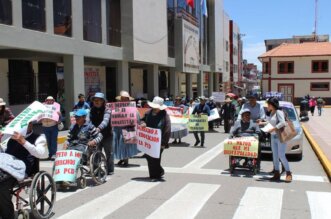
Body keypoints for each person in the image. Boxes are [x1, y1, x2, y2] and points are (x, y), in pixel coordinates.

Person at [0, 121, 47, 219]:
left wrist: (23, 141)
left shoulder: (39, 137)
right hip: (6, 164)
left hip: (21, 168)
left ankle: (7, 215)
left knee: (2, 184)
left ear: (30, 125)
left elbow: (41, 154)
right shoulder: (10, 137)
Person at [259, 97, 292, 182]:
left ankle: (288, 173)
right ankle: (276, 173)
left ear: (272, 105)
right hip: (273, 137)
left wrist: (273, 129)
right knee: (275, 156)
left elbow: (283, 123)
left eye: (268, 104)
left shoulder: (279, 112)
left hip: (280, 136)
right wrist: (261, 123)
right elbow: (270, 123)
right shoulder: (271, 113)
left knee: (281, 155)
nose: (267, 106)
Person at [142, 96, 171, 182]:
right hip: (148, 140)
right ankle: (156, 173)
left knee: (155, 158)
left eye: (156, 107)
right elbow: (142, 120)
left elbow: (167, 130)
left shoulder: (165, 115)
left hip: (160, 142)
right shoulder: (148, 113)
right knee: (149, 157)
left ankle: (156, 175)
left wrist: (164, 143)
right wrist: (143, 123)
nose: (155, 108)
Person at [113, 91, 140, 167]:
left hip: (127, 128)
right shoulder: (116, 108)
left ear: (128, 99)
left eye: (125, 99)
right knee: (118, 144)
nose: (123, 100)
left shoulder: (133, 109)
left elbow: (137, 118)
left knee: (126, 145)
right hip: (118, 129)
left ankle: (126, 159)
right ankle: (122, 158)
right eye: (122, 98)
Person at [90, 92, 114, 175]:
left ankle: (110, 169)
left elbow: (106, 121)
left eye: (99, 100)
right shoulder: (91, 110)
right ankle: (96, 170)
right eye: (95, 100)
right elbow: (88, 121)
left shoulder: (107, 110)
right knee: (96, 153)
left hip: (107, 135)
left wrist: (99, 128)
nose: (96, 102)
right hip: (96, 135)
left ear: (103, 101)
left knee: (109, 153)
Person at [41, 96, 61, 160]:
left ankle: (54, 154)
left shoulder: (56, 107)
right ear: (46, 101)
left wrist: (59, 115)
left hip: (53, 126)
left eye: (51, 100)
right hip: (45, 127)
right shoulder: (42, 107)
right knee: (48, 141)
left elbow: (59, 117)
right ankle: (50, 154)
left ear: (53, 101)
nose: (49, 101)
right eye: (48, 100)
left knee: (53, 141)